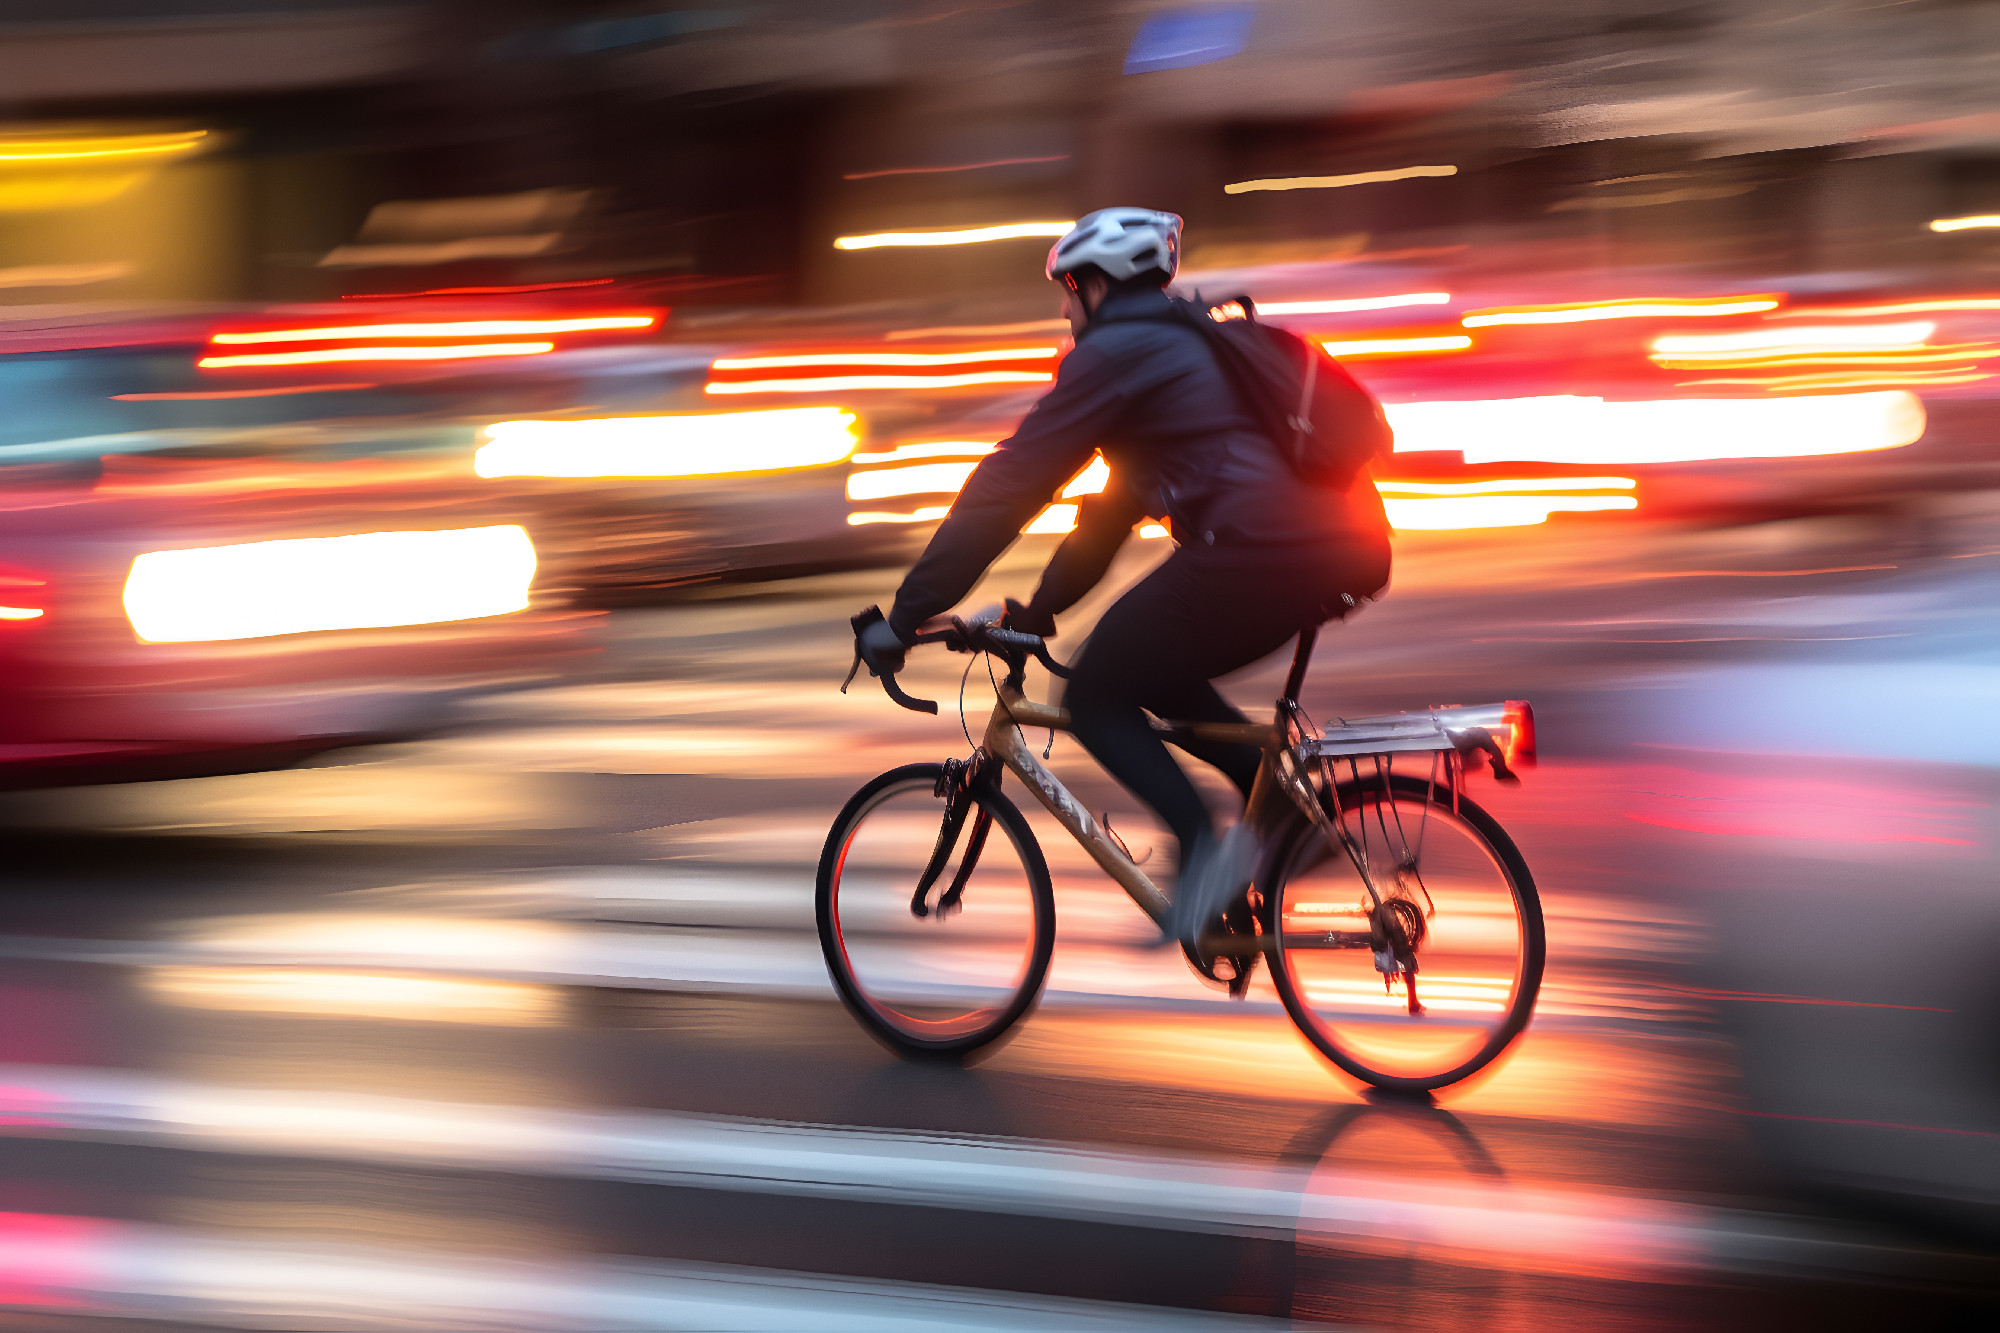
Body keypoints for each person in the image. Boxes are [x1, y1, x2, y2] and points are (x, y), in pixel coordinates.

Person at [857, 207, 1392, 949]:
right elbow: (1106, 519)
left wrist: (905, 612)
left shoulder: (1117, 355)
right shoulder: (1182, 350)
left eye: (1068, 291)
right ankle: (1287, 818)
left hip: (1259, 551)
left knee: (1095, 692)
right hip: (1338, 548)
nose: (1066, 312)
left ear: (1096, 286)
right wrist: (1037, 612)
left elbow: (1008, 486)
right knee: (1153, 666)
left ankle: (1202, 845)